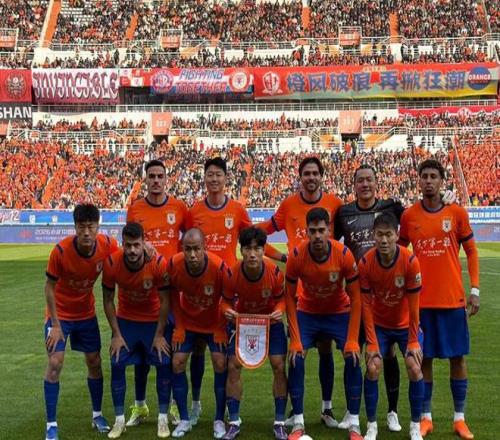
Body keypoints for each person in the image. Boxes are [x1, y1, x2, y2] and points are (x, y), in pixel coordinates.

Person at [334, 163, 456, 431]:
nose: (365, 184)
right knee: (354, 354)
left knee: (388, 357)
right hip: (360, 297)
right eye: (360, 180)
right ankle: (352, 413)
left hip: (391, 299)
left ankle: (392, 411)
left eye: (369, 179)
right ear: (353, 185)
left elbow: (419, 212)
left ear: (376, 183)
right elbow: (331, 244)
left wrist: (444, 198)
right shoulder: (344, 212)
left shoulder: (391, 208)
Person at [187, 157, 285, 425]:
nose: (214, 179)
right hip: (201, 287)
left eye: (218, 174)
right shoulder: (194, 212)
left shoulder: (238, 210)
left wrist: (282, 258)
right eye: (210, 174)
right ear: (204, 178)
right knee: (197, 348)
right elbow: (186, 245)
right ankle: (195, 405)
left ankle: (224, 416)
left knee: (223, 358)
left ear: (225, 178)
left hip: (230, 287)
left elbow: (254, 241)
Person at [257, 156, 343, 428]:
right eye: (307, 173)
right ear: (300, 176)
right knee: (297, 352)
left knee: (327, 350)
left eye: (315, 173)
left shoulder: (335, 204)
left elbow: (347, 237)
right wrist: (282, 257)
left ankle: (327, 409)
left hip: (329, 294)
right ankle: (297, 411)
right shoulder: (288, 205)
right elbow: (260, 235)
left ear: (322, 176)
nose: (311, 177)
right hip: (298, 295)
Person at [400, 159, 480, 440]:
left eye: (434, 176)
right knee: (425, 360)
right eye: (424, 176)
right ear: (419, 181)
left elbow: (471, 251)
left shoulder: (456, 212)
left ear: (442, 181)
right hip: (421, 302)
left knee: (458, 358)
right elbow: (400, 251)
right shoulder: (409, 216)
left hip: (452, 300)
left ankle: (459, 419)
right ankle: (426, 418)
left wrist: (475, 289)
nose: (429, 181)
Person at [285, 207, 363, 440]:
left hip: (338, 312)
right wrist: (295, 339)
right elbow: (289, 297)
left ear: (329, 230)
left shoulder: (343, 254)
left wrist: (352, 339)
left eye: (321, 230)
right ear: (306, 232)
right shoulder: (297, 255)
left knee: (353, 356)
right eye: (313, 231)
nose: (317, 235)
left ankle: (354, 422)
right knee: (296, 357)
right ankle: (298, 422)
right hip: (308, 313)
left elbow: (356, 298)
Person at [43, 203, 118, 440]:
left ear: (98, 226)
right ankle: (51, 425)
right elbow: (49, 288)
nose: (86, 232)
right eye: (81, 227)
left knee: (94, 362)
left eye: (90, 226)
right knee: (55, 363)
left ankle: (97, 415)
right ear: (75, 227)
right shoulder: (60, 251)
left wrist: (147, 248)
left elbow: (126, 255)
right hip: (60, 316)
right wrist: (55, 325)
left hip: (86, 314)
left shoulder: (107, 245)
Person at [126, 159, 189, 428]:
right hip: (143, 290)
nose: (155, 180)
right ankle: (140, 405)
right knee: (141, 354)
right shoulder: (135, 208)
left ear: (166, 179)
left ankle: (172, 404)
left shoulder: (179, 207)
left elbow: (191, 238)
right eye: (151, 176)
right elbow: (129, 241)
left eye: (159, 176)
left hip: (171, 291)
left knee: (170, 351)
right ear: (146, 179)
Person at [102, 222, 171, 439]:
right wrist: (116, 334)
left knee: (164, 362)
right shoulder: (112, 263)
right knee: (116, 363)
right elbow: (107, 300)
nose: (132, 250)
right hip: (126, 322)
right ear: (122, 244)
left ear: (144, 243)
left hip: (152, 322)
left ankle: (162, 418)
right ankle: (119, 420)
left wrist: (159, 335)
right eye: (128, 245)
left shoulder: (158, 263)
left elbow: (166, 301)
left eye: (136, 245)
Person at [359, 212, 424, 440]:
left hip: (406, 326)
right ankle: (372, 426)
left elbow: (415, 307)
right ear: (373, 235)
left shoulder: (410, 261)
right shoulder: (365, 263)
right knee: (373, 366)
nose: (384, 240)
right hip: (380, 325)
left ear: (397, 235)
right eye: (379, 235)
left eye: (388, 235)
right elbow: (366, 305)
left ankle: (415, 426)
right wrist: (371, 342)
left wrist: (413, 340)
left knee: (414, 367)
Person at [220, 226, 288, 440]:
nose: (252, 254)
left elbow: (282, 299)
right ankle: (234, 422)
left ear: (263, 250)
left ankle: (280, 422)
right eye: (247, 249)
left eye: (257, 248)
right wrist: (227, 311)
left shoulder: (274, 272)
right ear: (241, 250)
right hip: (242, 323)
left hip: (270, 323)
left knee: (279, 365)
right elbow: (225, 301)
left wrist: (279, 310)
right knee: (233, 366)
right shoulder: (232, 273)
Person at [166, 228, 228, 439]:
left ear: (205, 247)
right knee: (177, 362)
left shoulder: (218, 267)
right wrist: (179, 326)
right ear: (182, 249)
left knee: (220, 362)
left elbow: (228, 298)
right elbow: (172, 295)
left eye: (197, 249)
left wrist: (220, 327)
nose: (192, 255)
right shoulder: (174, 265)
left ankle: (218, 419)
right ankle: (184, 419)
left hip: (213, 322)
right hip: (188, 321)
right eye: (188, 249)